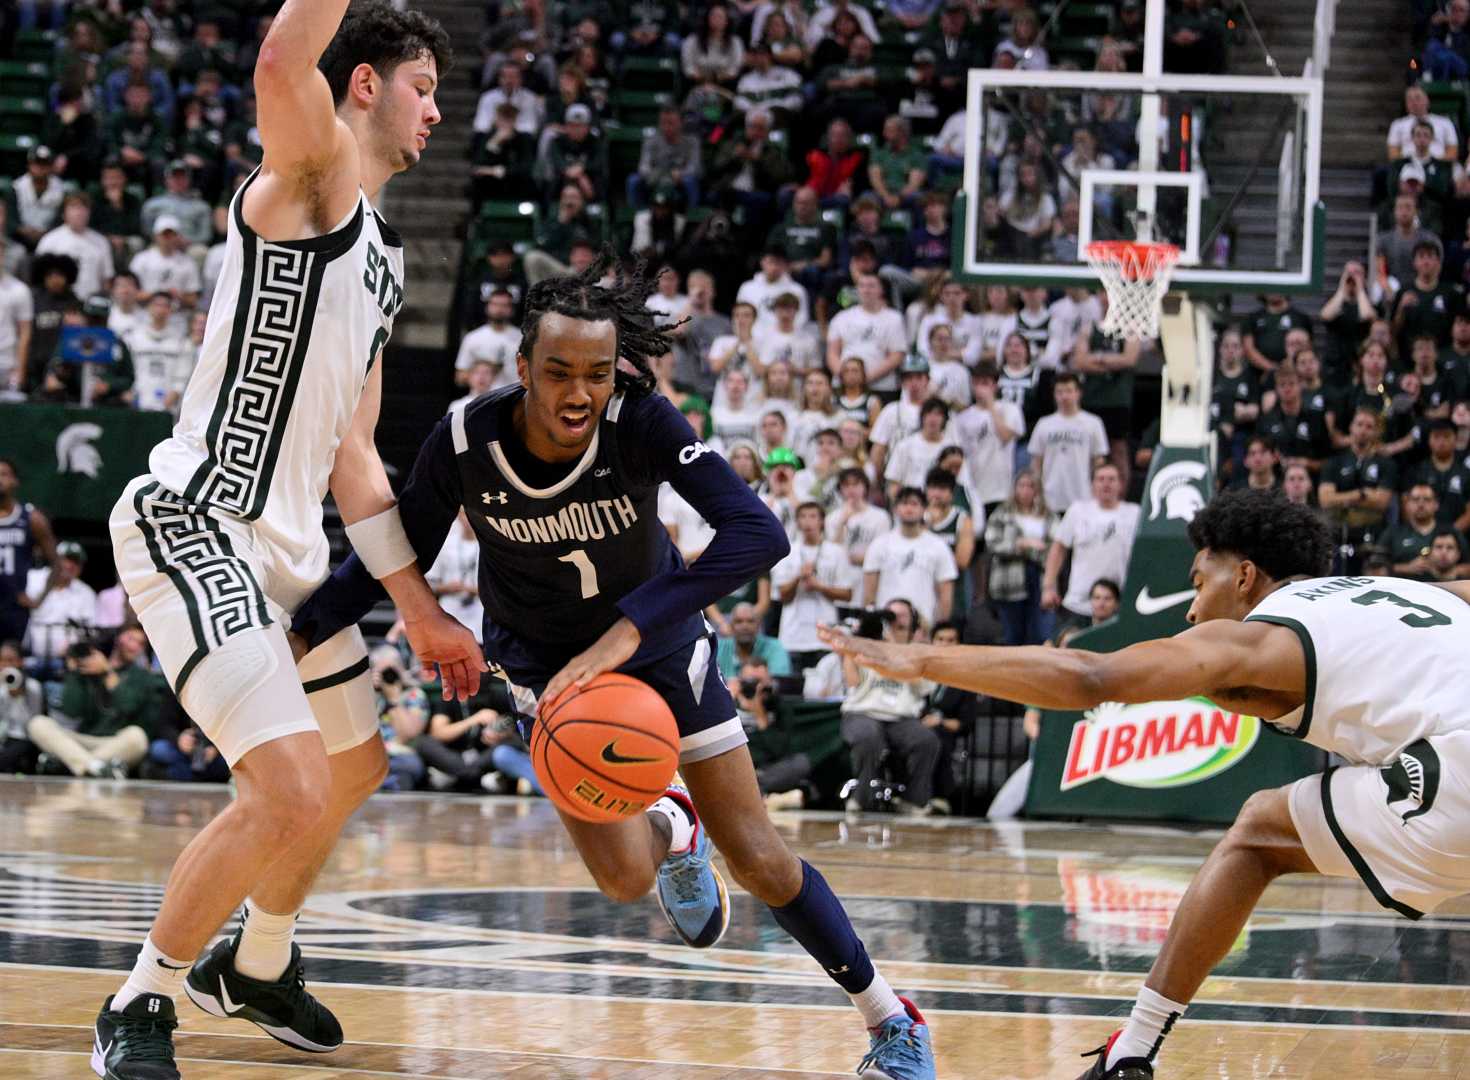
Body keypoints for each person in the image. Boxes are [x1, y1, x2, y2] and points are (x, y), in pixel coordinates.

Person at [289, 257, 936, 1078]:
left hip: (659, 651)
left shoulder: (641, 422)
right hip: (543, 672)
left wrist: (626, 635)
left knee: (761, 858)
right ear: (522, 368)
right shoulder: (465, 439)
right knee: (625, 881)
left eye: (596, 374)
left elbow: (758, 535)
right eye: (557, 372)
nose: (576, 393)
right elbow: (400, 550)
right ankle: (672, 827)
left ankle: (891, 1019)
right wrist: (307, 629)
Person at [95, 6, 482, 1078]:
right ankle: (138, 1005)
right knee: (292, 789)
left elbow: (356, 462)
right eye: (421, 86)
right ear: (363, 87)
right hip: (197, 522)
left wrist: (423, 612)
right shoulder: (314, 177)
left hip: (287, 557)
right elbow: (279, 57)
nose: (437, 109)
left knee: (356, 766)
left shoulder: (386, 265)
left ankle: (257, 963)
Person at [820, 485, 1470, 1079]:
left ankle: (1131, 1052)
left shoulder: (1264, 640)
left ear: (1244, 576)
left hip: (1458, 776)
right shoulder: (1406, 592)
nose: (1191, 611)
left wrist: (922, 659)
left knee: (1256, 834)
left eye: (1197, 582)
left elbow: (1090, 679)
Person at [839, 599, 942, 815]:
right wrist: (851, 647)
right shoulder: (866, 646)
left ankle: (914, 801)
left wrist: (896, 651)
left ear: (913, 621)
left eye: (903, 615)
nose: (896, 619)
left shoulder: (917, 652)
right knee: (868, 738)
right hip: (863, 712)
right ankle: (862, 799)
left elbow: (924, 688)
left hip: (901, 718)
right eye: (891, 614)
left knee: (927, 740)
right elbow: (852, 681)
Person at [26, 635, 166, 778]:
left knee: (137, 736)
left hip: (116, 743)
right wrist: (74, 673)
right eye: (131, 639)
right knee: (37, 724)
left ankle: (73, 765)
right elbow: (72, 710)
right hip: (82, 741)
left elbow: (128, 706)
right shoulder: (84, 674)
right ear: (117, 640)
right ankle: (94, 766)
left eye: (141, 643)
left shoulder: (141, 675)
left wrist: (107, 673)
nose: (134, 646)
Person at [1043, 461, 1140, 628]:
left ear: (1121, 484)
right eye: (1100, 479)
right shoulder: (1078, 510)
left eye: (1111, 479)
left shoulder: (1134, 513)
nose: (1106, 484)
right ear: (1092, 484)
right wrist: (1048, 587)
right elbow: (1058, 549)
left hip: (1116, 604)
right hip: (1078, 602)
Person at [771, 502, 851, 671]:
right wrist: (798, 577)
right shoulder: (787, 551)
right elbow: (782, 595)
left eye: (813, 516)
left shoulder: (836, 552)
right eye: (803, 516)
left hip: (825, 635)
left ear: (822, 521)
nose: (808, 521)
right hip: (793, 635)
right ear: (797, 522)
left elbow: (847, 594)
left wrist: (819, 586)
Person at [864, 486, 958, 628]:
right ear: (895, 509)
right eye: (904, 503)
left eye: (914, 504)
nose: (909, 509)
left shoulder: (938, 546)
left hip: (923, 624)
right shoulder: (879, 544)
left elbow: (945, 592)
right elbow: (869, 591)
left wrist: (939, 626)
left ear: (924, 509)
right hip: (886, 623)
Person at [986, 470, 1057, 645]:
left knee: (1040, 633)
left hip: (1040, 577)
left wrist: (1030, 548)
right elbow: (992, 543)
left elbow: (1056, 547)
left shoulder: (1049, 516)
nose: (1026, 490)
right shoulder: (1002, 513)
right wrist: (1020, 545)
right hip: (1009, 581)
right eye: (1022, 486)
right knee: (1012, 635)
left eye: (1030, 486)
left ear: (1037, 490)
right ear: (1015, 489)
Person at [1027, 372, 1110, 514]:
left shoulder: (1093, 423)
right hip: (1050, 498)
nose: (1064, 396)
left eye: (1069, 391)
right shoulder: (1044, 424)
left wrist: (1097, 493)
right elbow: (1036, 463)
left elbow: (1099, 462)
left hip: (1082, 497)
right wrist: (1037, 494)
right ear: (1054, 395)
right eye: (1059, 392)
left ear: (1078, 393)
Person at [0, 458, 56, 647]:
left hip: (14, 608)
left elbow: (57, 565)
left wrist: (39, 599)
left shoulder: (31, 519)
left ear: (15, 481)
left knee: (11, 665)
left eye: (4, 474)